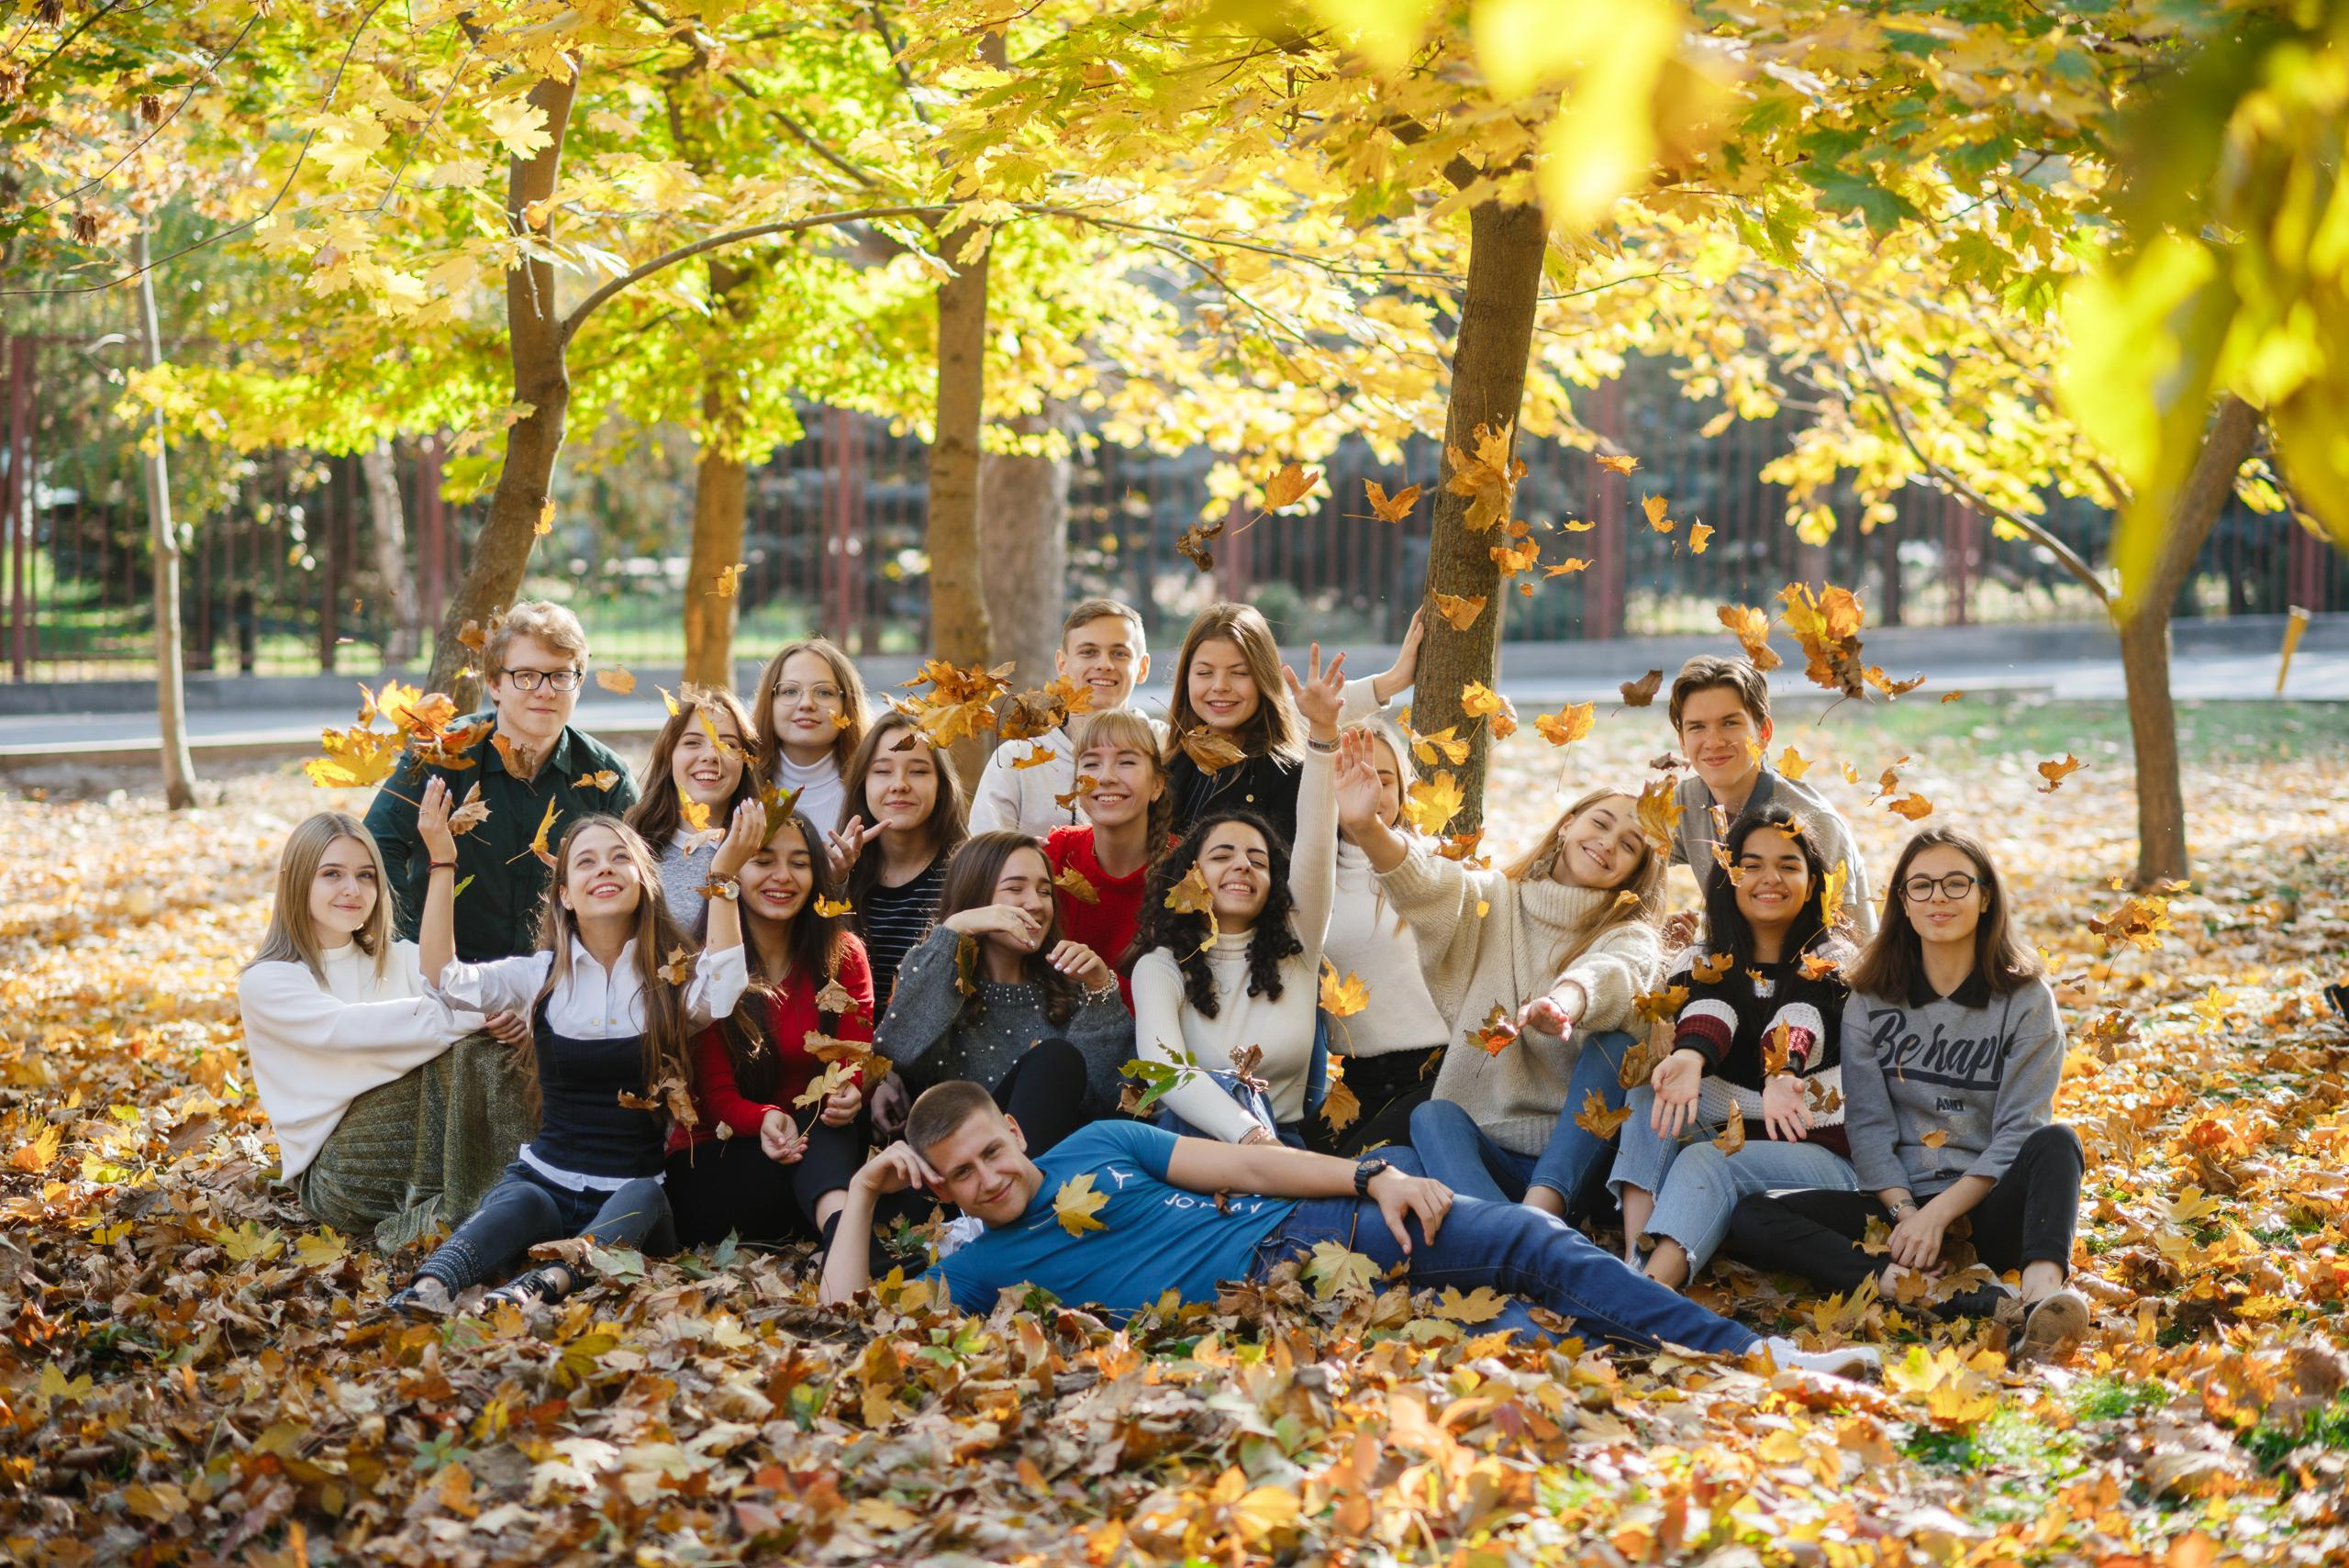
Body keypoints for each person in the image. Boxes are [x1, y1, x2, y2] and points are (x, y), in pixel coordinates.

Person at [817, 1082, 1878, 1379]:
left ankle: (1765, 1355)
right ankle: (1704, 1369)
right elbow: (847, 1322)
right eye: (961, 1175)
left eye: (994, 1151)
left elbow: (1242, 1160)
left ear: (1012, 1128)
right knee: (1516, 1332)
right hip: (1277, 1306)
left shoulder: (1097, 1140)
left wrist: (1370, 1173)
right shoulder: (979, 1264)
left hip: (1312, 1220)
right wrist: (863, 1195)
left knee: (1532, 1242)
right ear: (943, 1191)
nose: (991, 1178)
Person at [1724, 827, 2092, 1364]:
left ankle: (2040, 1301)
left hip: (1989, 1205)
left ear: (1985, 896)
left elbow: (2020, 1131)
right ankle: (1915, 1289)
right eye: (1920, 886)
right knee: (1755, 1215)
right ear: (1903, 901)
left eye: (1955, 884)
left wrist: (1939, 1215)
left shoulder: (2025, 998)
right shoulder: (1871, 996)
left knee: (2058, 1142)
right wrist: (1906, 1215)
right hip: (1893, 1216)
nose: (1937, 898)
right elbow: (1869, 1125)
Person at [386, 789, 756, 1317]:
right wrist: (442, 859)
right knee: (519, 1199)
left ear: (644, 883)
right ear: (565, 894)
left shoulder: (670, 980)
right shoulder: (539, 976)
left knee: (646, 1197)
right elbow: (442, 978)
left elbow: (722, 989)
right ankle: (429, 1289)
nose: (603, 869)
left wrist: (723, 879)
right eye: (586, 862)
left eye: (619, 858)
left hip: (628, 1199)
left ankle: (539, 1288)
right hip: (546, 1179)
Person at [361, 602, 635, 1239]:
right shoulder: (445, 755)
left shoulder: (603, 777)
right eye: (526, 675)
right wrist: (434, 966)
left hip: (552, 983)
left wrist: (546, 992)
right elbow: (377, 854)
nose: (544, 690)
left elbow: (627, 890)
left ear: (578, 682)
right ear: (493, 682)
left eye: (561, 675)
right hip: (439, 975)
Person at [1345, 773, 1662, 1223]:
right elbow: (1429, 885)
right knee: (1426, 1123)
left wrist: (1565, 1002)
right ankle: (1522, 1236)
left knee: (1614, 1047)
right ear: (1568, 824)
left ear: (1636, 871)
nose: (1609, 843)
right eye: (1601, 823)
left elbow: (1615, 974)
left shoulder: (1627, 933)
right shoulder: (1493, 900)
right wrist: (1368, 828)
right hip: (1489, 1153)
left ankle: (1533, 1220)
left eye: (1629, 845)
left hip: (1577, 1164)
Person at [1608, 807, 1856, 1290]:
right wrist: (1689, 1055)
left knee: (1706, 1159)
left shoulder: (1832, 959)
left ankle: (1648, 1292)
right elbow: (1714, 1006)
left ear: (1812, 881)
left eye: (1788, 865)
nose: (1770, 878)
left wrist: (1783, 1070)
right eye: (1751, 864)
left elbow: (1803, 1013)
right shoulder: (1698, 960)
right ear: (1728, 877)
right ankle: (1634, 1259)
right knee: (1644, 1102)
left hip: (1820, 1151)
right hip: (1733, 1131)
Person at [1129, 648, 1347, 1146]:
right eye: (1222, 854)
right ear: (1190, 875)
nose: (1242, 865)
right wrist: (1249, 1139)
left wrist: (1323, 736)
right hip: (1192, 1147)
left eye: (1258, 859)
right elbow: (1166, 1071)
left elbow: (1314, 839)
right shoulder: (1161, 967)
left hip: (1286, 1145)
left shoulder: (1298, 944)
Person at [238, 813, 477, 1250]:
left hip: (421, 1141)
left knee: (503, 1048)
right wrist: (473, 1015)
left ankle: (492, 1202)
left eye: (365, 876)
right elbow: (353, 1031)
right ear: (296, 882)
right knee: (472, 1050)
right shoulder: (269, 981)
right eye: (332, 874)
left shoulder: (398, 958)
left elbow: (457, 988)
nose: (352, 889)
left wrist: (443, 861)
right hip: (339, 1174)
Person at [665, 808, 886, 1261]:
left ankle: (845, 1244)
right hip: (723, 1158)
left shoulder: (843, 956)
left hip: (817, 1141)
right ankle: (854, 1238)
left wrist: (848, 1092)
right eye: (763, 860)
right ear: (735, 871)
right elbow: (715, 1096)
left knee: (829, 1124)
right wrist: (765, 1118)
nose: (782, 877)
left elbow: (850, 1058)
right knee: (817, 1148)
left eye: (800, 863)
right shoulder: (704, 965)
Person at [876, 832, 1130, 1154]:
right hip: (960, 1172)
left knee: (1054, 1059)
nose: (1035, 904)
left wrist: (1100, 990)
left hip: (1059, 1179)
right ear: (976, 899)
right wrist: (952, 931)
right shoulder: (936, 974)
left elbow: (1117, 1104)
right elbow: (898, 1053)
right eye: (1014, 888)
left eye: (1044, 891)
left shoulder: (1072, 987)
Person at [1161, 602, 1421, 847]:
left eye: (1240, 673)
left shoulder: (1287, 776)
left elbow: (1311, 710)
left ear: (1264, 679)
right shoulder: (1168, 765)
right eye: (1205, 673)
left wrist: (1393, 681)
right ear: (1186, 679)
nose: (1220, 686)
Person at [1317, 714, 1452, 1157]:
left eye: (1384, 780)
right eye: (1353, 776)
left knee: (1359, 1171)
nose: (1369, 790)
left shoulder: (1430, 866)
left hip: (1433, 1074)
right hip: (1343, 1082)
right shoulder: (1306, 876)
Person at [1665, 656, 1875, 940]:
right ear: (1682, 741)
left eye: (1730, 723)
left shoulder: (1811, 820)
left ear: (1763, 733)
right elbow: (1616, 861)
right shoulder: (1685, 802)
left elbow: (1854, 943)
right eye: (1697, 727)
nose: (1713, 741)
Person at [969, 598, 1165, 836]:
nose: (1104, 664)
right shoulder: (1017, 758)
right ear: (1062, 663)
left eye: (1119, 653)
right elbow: (983, 856)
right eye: (1089, 652)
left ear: (1142, 667)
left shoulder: (1165, 745)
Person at [829, 709, 971, 1016]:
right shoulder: (838, 870)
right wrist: (834, 883)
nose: (900, 784)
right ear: (863, 783)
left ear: (942, 786)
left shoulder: (968, 872)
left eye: (918, 771)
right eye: (882, 771)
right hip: (850, 1051)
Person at [1044, 706, 1174, 1008]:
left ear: (1157, 785)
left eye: (1126, 762)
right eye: (1091, 763)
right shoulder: (1056, 853)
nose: (1105, 777)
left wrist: (1104, 983)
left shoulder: (1185, 870)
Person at [623, 685, 763, 925]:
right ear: (669, 755)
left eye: (728, 745)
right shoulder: (633, 845)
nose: (711, 756)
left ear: (746, 761)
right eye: (693, 742)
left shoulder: (767, 843)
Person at [751, 637, 870, 835]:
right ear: (769, 701)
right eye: (790, 691)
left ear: (847, 704)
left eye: (824, 692)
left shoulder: (871, 787)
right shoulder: (742, 785)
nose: (806, 704)